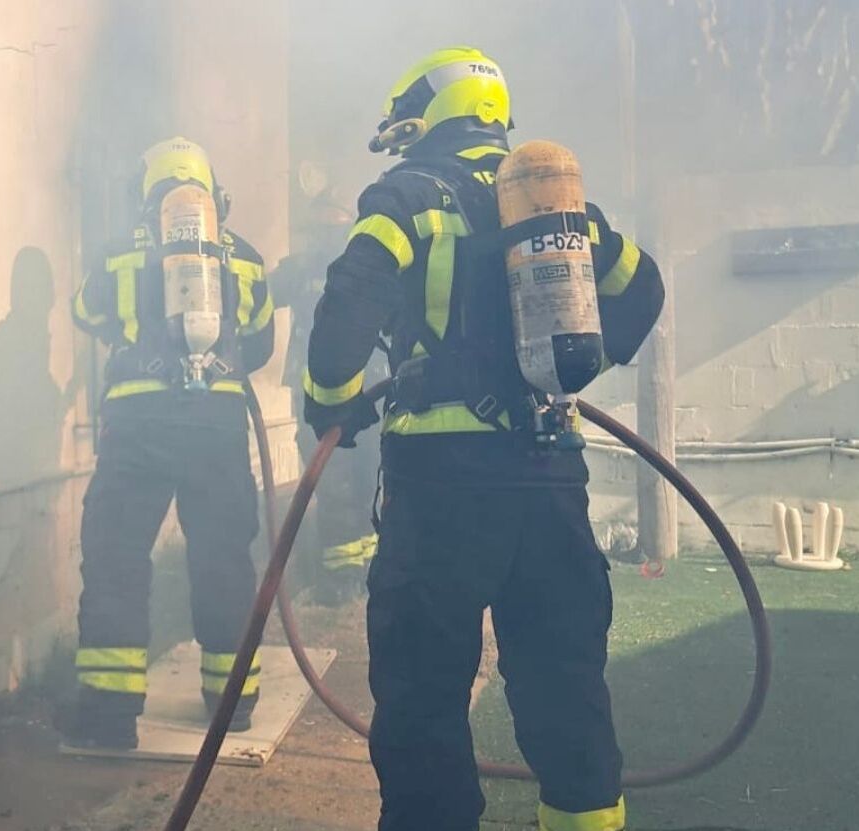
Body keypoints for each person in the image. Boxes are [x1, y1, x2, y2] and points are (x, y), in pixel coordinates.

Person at [302, 48, 664, 831]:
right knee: (564, 680)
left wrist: (331, 404)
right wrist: (577, 367)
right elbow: (643, 288)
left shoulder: (406, 196)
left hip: (443, 487)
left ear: (428, 116)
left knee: (424, 691)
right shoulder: (551, 206)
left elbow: (344, 314)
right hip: (550, 474)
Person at [68, 137, 275, 749]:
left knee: (117, 554)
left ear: (146, 189)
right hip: (218, 424)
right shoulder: (243, 256)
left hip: (139, 423)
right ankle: (233, 702)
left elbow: (86, 314)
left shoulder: (116, 252)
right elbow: (260, 344)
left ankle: (108, 714)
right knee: (222, 557)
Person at [271, 179, 384, 604]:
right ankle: (350, 574)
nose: (324, 239)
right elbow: (258, 296)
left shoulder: (354, 267)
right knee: (344, 480)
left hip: (353, 391)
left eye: (329, 230)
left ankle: (353, 573)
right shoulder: (303, 269)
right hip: (343, 391)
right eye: (321, 231)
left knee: (355, 479)